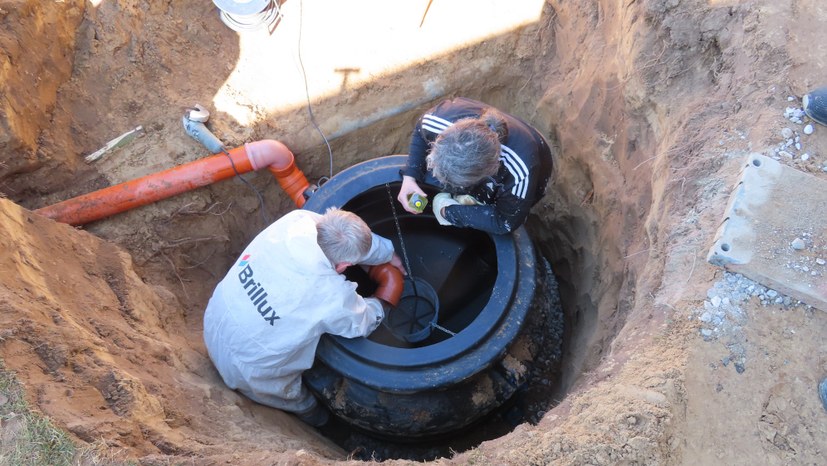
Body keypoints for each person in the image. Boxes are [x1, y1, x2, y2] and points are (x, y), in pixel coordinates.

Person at [202, 208, 405, 426]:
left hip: (214, 318)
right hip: (248, 368)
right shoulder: (329, 293)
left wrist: (386, 252)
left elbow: (342, 232)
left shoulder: (297, 221)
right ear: (345, 266)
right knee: (298, 401)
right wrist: (385, 298)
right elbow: (362, 321)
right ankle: (322, 425)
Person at [397, 97, 554, 235]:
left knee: (513, 204)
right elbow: (420, 131)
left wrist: (448, 211)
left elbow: (505, 221)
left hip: (535, 157)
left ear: (489, 171)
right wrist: (410, 177)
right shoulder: (440, 120)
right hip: (480, 154)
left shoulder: (520, 173)